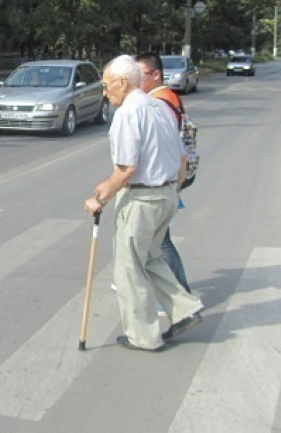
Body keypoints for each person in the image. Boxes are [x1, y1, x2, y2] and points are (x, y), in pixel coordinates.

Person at [84, 55, 203, 351]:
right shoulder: (160, 106)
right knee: (149, 259)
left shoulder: (128, 113)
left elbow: (127, 168)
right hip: (166, 195)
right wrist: (171, 191)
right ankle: (185, 309)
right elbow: (182, 157)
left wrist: (100, 198)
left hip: (142, 199)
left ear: (123, 83)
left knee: (129, 268)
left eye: (106, 85)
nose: (104, 91)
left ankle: (143, 336)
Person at [135, 52, 192, 293]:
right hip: (169, 178)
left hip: (161, 182)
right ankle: (176, 295)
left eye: (141, 75)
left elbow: (166, 146)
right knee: (160, 240)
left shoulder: (159, 103)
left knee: (161, 242)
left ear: (156, 75)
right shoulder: (166, 97)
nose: (136, 81)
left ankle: (181, 296)